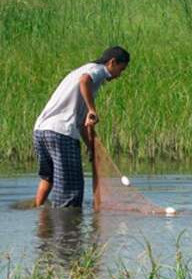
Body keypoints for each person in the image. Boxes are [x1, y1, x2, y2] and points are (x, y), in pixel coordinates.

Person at [33, 46, 130, 208]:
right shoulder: (98, 70)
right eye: (121, 69)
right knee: (72, 190)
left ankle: (39, 217)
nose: (120, 75)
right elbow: (84, 80)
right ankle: (69, 231)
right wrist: (92, 109)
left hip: (41, 131)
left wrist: (91, 147)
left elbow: (81, 124)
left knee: (48, 178)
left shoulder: (82, 72)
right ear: (112, 62)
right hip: (61, 133)